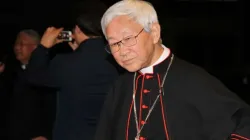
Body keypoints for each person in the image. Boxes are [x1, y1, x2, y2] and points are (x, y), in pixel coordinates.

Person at [94, 0, 250, 140]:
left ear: (154, 33)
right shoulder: (120, 87)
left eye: (128, 39)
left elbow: (244, 123)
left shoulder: (193, 80)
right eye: (114, 44)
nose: (122, 51)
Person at [26, 1, 120, 140]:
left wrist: (43, 47)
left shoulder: (64, 63)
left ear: (77, 29)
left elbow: (33, 77)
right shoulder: (119, 59)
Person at [0, 29, 56, 140]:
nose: (17, 48)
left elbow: (52, 108)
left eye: (21, 44)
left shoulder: (48, 72)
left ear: (35, 47)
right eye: (16, 44)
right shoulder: (10, 73)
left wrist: (45, 134)